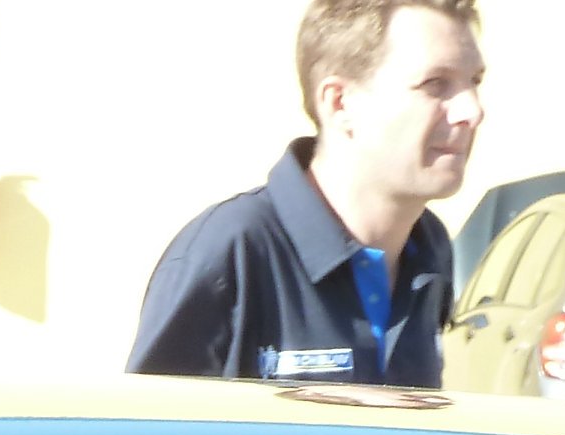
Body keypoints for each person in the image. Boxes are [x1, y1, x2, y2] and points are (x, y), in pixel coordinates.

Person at [129, 0, 486, 386]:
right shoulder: (232, 252)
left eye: (475, 81)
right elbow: (146, 424)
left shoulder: (429, 250)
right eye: (435, 84)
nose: (472, 110)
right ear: (339, 103)